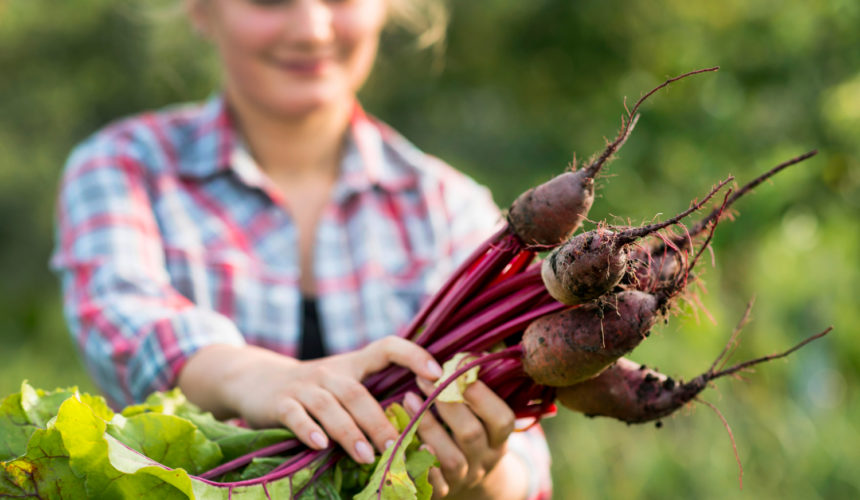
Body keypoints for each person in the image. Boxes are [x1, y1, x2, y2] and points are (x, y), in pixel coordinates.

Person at [51, 0, 551, 498]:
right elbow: (122, 315)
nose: (312, 29)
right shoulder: (123, 168)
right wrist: (253, 377)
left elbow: (526, 462)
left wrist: (485, 478)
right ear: (202, 11)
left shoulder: (449, 207)